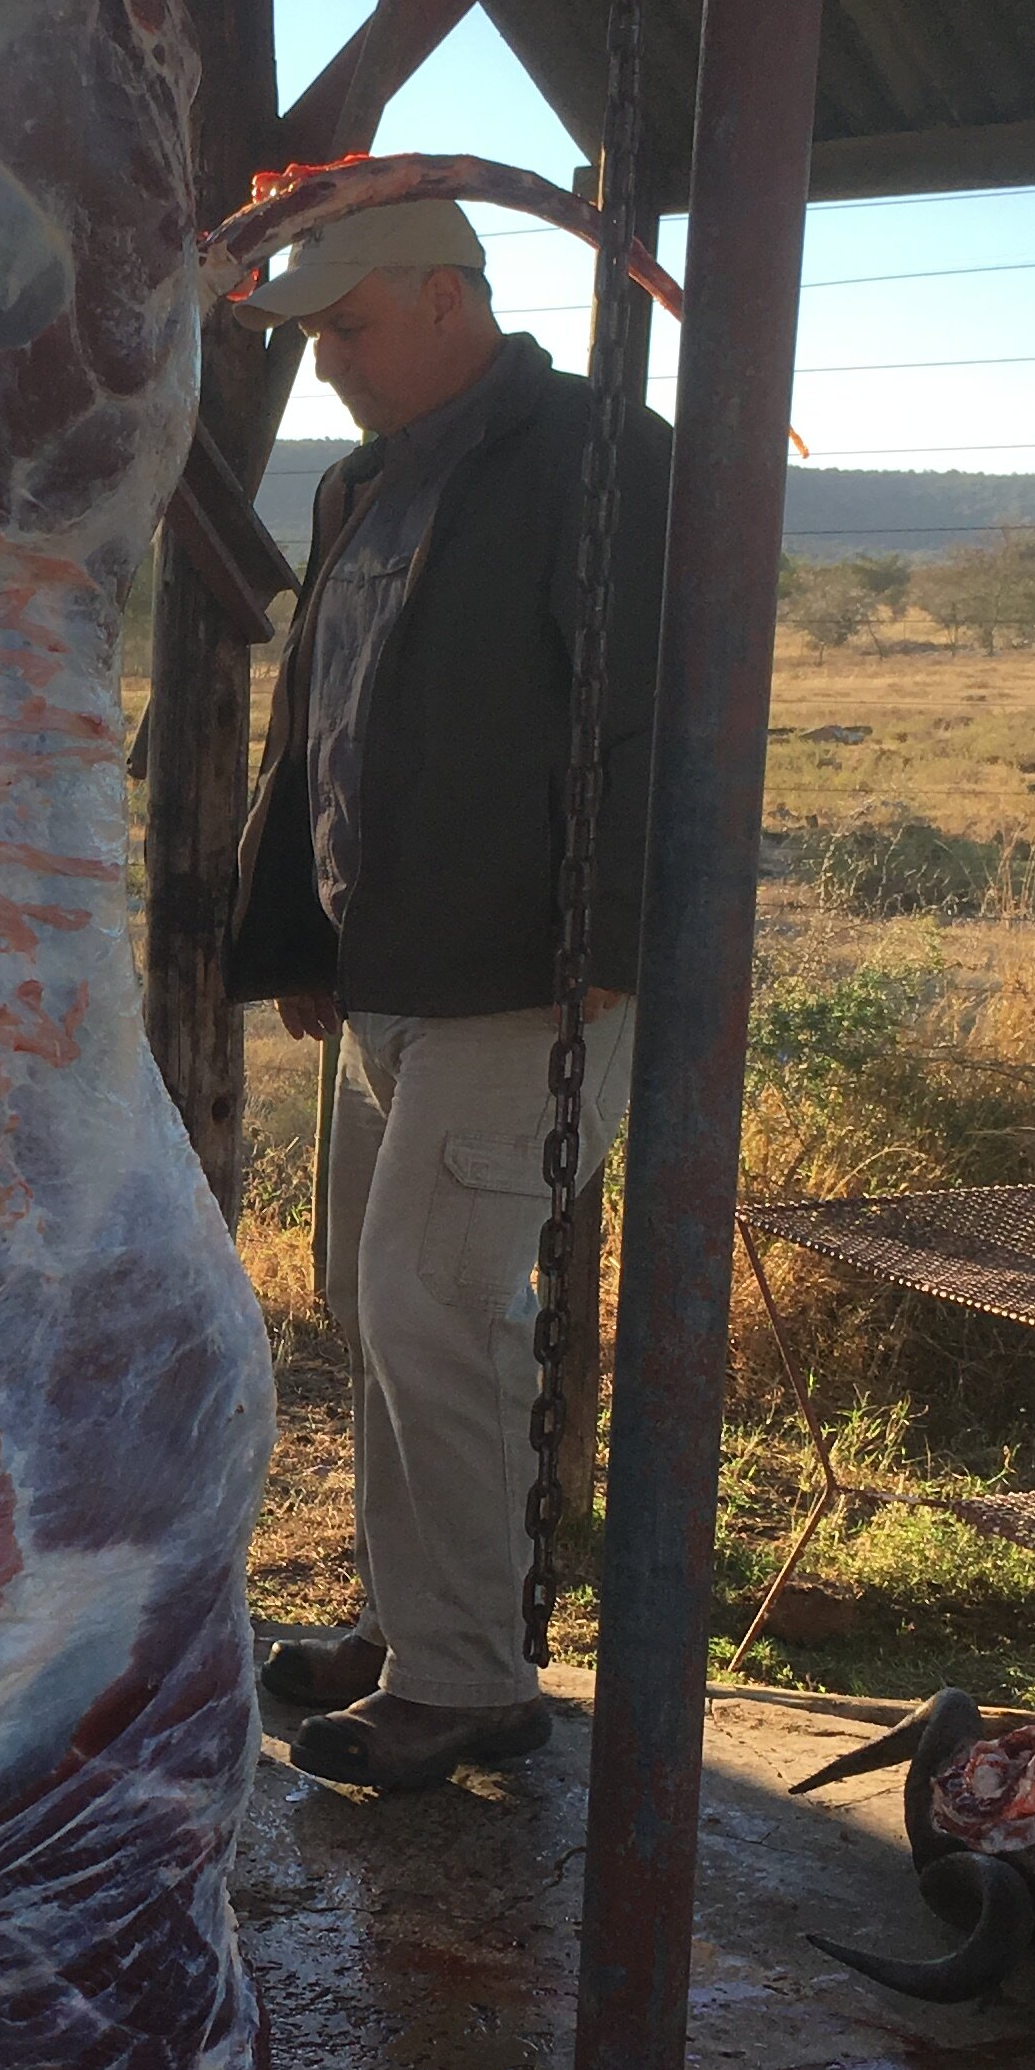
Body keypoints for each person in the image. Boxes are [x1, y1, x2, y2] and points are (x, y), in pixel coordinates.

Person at [224, 197, 670, 1795]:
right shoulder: (364, 483)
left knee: (431, 1297)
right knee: (379, 1300)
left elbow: (646, 714)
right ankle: (421, 1628)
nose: (329, 363)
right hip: (395, 974)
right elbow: (327, 726)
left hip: (525, 975)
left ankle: (471, 1677)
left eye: (346, 328)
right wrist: (312, 941)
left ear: (446, 296)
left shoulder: (594, 453)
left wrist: (609, 941)